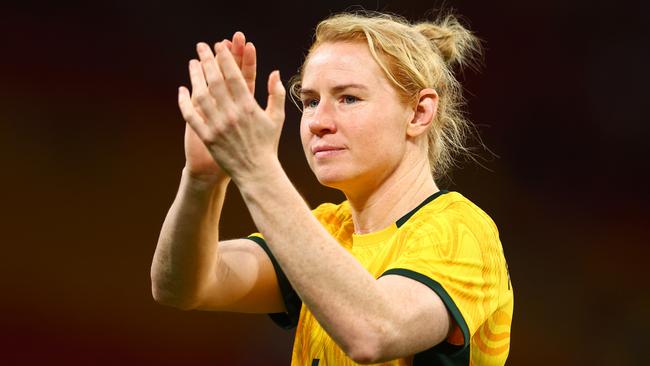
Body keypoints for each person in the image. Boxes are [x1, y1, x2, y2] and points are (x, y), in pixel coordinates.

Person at [151, 10, 513, 366]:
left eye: (348, 98)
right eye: (310, 102)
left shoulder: (462, 231)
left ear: (418, 113)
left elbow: (374, 333)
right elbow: (181, 286)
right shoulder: (328, 230)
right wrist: (201, 180)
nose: (318, 122)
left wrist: (257, 168)